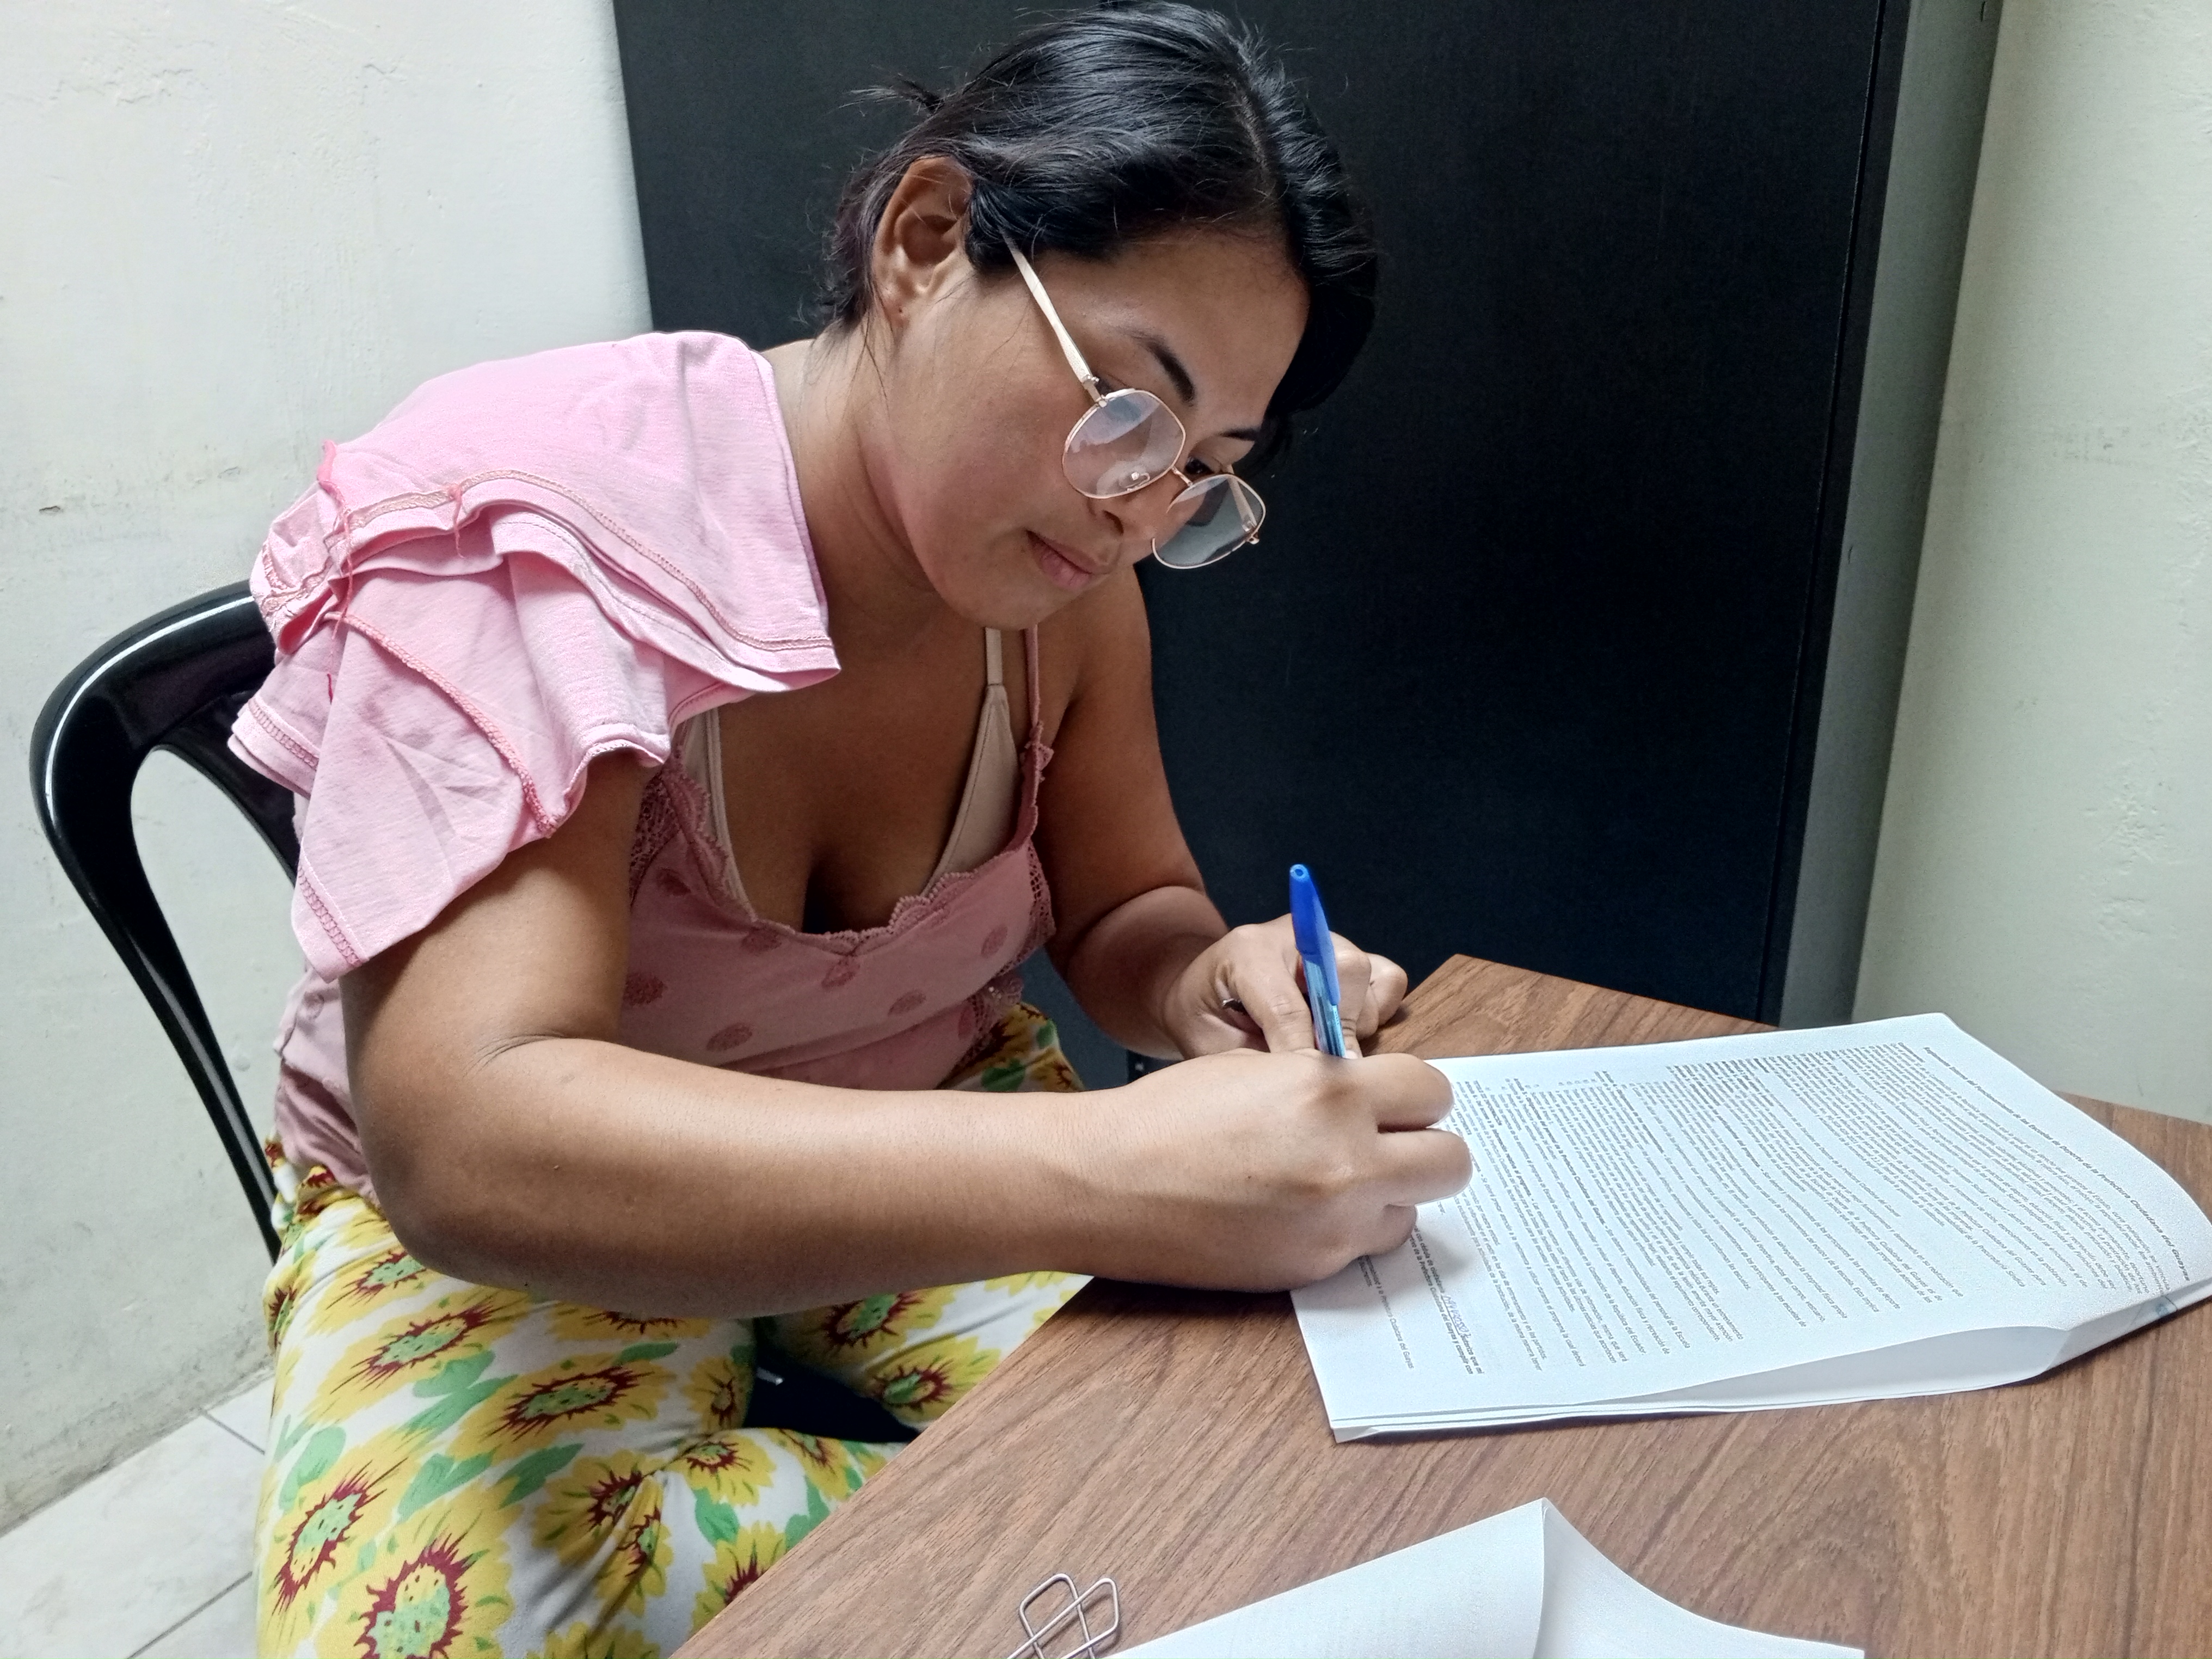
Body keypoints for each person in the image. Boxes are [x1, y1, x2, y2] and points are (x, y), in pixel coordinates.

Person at [239, 5, 1470, 1656]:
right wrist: (1104, 1170)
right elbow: (471, 1142)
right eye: (1127, 407)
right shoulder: (541, 533)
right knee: (465, 1616)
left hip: (936, 1115)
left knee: (1261, 1471)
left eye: (1204, 471)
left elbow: (1127, 908)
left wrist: (1202, 984)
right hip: (526, 1252)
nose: (1140, 508)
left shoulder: (1063, 584)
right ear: (928, 239)